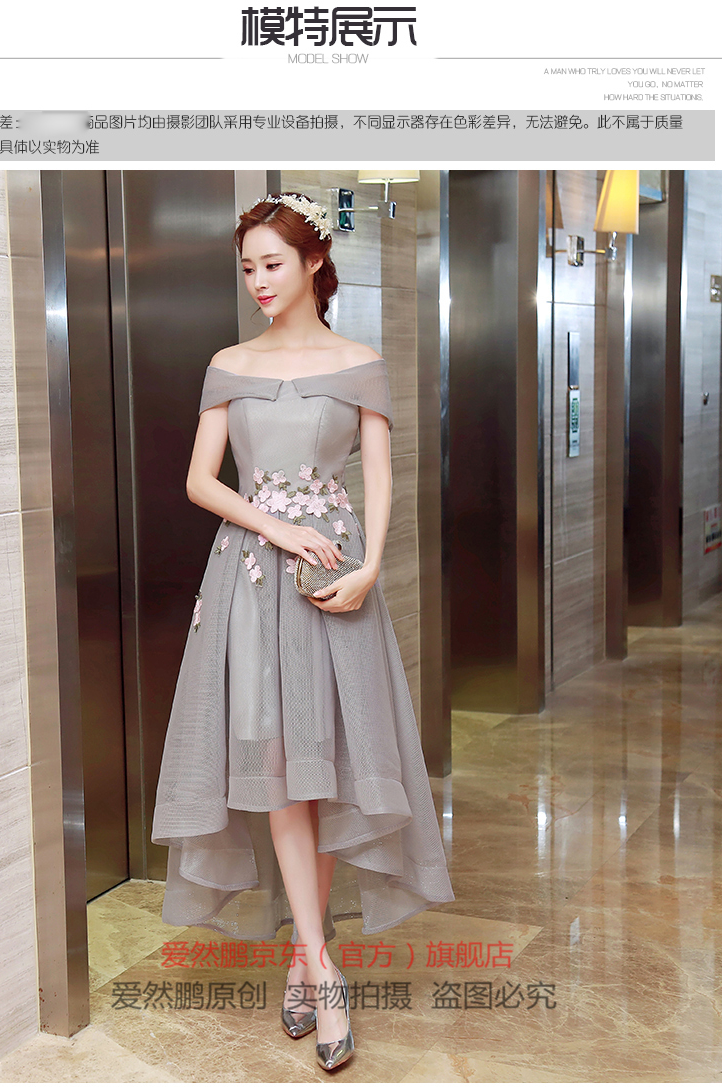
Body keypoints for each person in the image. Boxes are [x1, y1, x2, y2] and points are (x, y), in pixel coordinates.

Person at [150, 191, 455, 1071]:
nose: (258, 281)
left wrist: (370, 566)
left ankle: (303, 952)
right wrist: (277, 527)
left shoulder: (360, 362)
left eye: (272, 263)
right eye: (247, 266)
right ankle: (323, 969)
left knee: (321, 767)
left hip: (334, 580)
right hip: (251, 580)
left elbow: (381, 477)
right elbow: (201, 481)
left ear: (314, 261)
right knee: (280, 763)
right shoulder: (229, 362)